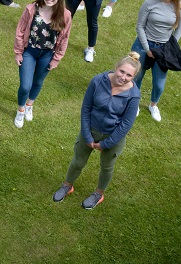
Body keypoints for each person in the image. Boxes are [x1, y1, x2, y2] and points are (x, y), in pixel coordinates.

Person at [52, 52, 141, 210]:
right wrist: (86, 135)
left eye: (129, 75)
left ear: (133, 77)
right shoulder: (98, 81)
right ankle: (67, 185)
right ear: (116, 68)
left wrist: (107, 143)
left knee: (107, 167)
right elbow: (86, 108)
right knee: (78, 161)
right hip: (90, 130)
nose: (123, 77)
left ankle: (98, 194)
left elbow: (126, 124)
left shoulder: (134, 95)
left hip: (113, 136)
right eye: (122, 71)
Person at [13, 0, 73, 128]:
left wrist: (56, 59)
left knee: (38, 82)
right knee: (26, 86)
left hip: (47, 55)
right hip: (30, 52)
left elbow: (64, 39)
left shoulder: (65, 15)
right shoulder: (31, 9)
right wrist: (18, 52)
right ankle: (20, 110)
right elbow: (20, 31)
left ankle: (29, 105)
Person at [131, 0, 181, 122]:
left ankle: (153, 105)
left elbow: (177, 33)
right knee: (137, 76)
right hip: (143, 45)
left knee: (159, 84)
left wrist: (166, 51)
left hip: (163, 49)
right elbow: (140, 27)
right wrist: (147, 49)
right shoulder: (149, 3)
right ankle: (134, 103)